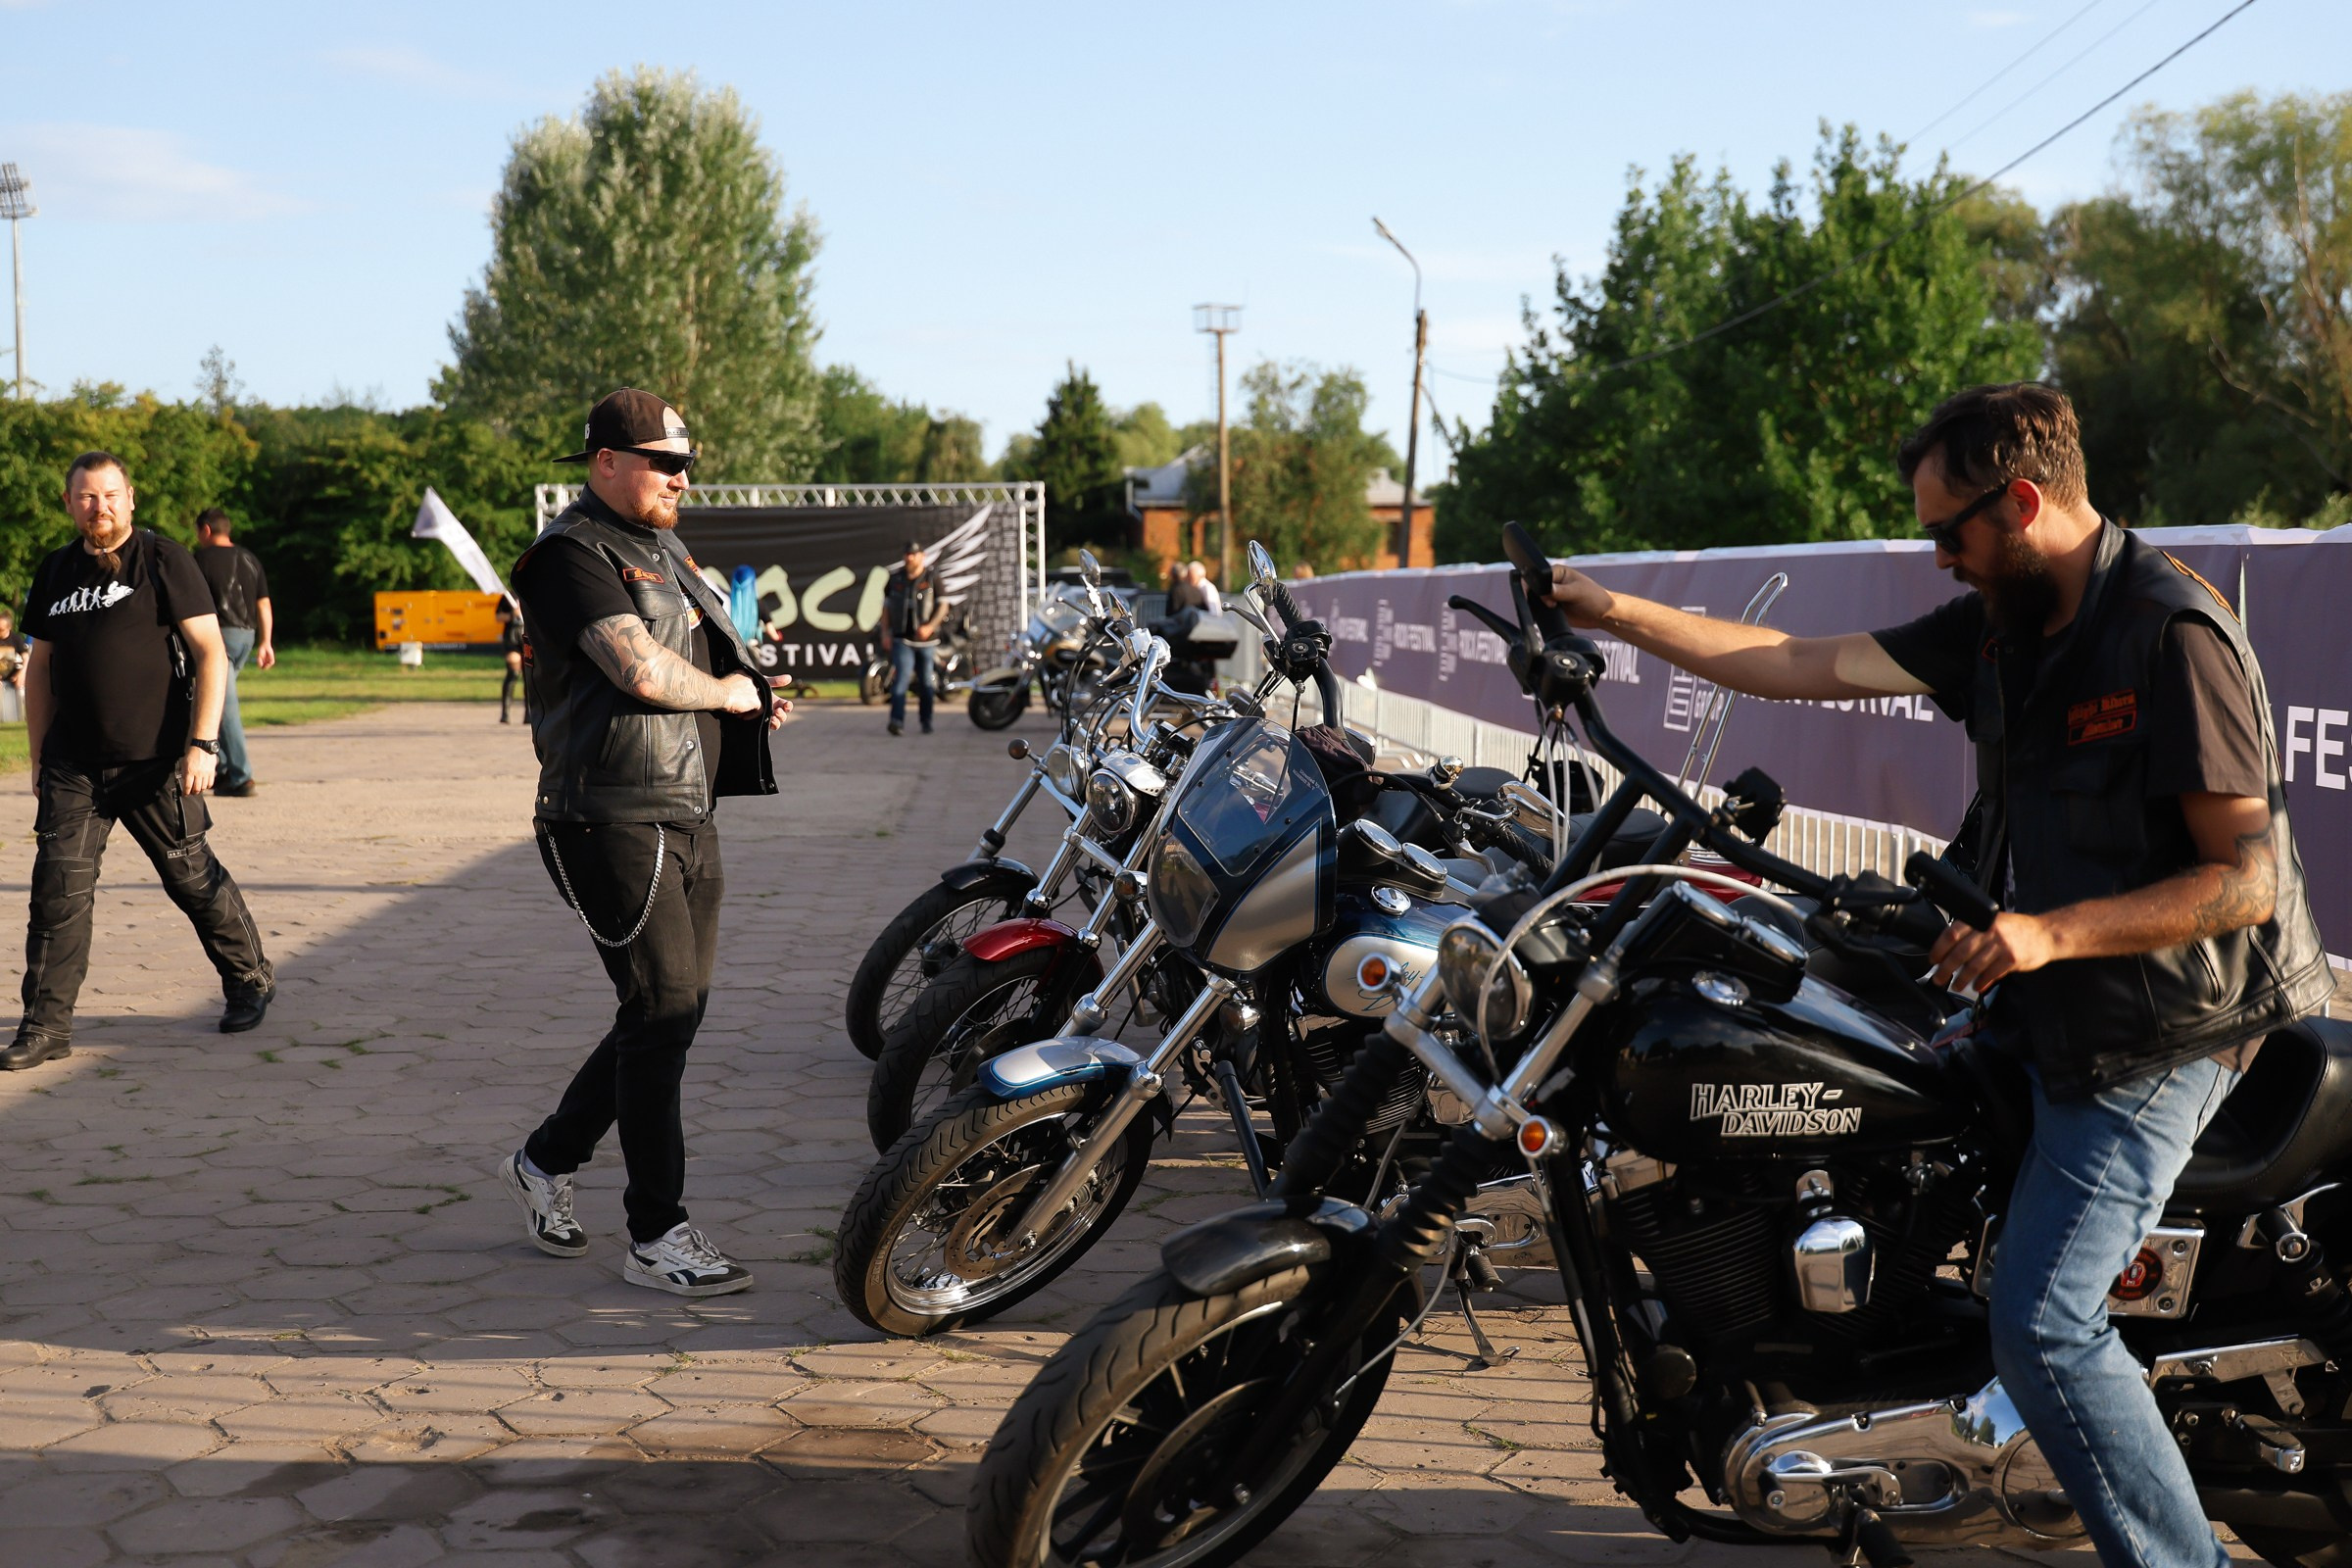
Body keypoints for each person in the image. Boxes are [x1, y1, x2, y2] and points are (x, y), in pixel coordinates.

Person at [1538, 382, 2330, 1568]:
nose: (1939, 556)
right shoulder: (2011, 621)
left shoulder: (2169, 633)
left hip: (2169, 1028)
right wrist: (1613, 612)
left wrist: (2047, 933)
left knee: (2049, 1324)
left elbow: (2243, 883)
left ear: (2021, 502)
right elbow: (1797, 659)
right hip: (2046, 997)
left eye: (1948, 530)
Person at [499, 388, 791, 1298]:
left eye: (686, 463)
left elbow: (701, 657)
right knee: (663, 1014)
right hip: (606, 816)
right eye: (663, 462)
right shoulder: (567, 556)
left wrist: (752, 686)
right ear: (606, 463)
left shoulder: (663, 548)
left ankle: (546, 1159)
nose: (680, 478)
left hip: (687, 810)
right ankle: (657, 1232)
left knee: (666, 1015)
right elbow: (637, 667)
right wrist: (727, 696)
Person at [7, 452, 275, 1071]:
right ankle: (46, 1026)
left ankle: (249, 979)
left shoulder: (163, 558)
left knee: (189, 876)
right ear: (68, 503)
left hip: (156, 760)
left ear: (130, 499)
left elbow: (210, 652)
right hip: (74, 765)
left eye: (109, 495)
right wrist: (38, 758)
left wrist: (203, 744)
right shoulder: (54, 571)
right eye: (85, 496)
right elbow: (40, 671)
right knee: (57, 891)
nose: (98, 506)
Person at [192, 509, 274, 797]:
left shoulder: (199, 560)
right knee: (217, 700)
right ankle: (223, 770)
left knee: (224, 706)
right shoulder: (250, 558)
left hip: (217, 637)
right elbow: (263, 603)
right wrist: (266, 642)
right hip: (246, 637)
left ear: (205, 530)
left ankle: (241, 775)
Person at [880, 540, 943, 737]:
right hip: (902, 639)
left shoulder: (932, 578)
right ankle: (896, 721)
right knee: (901, 680)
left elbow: (943, 606)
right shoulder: (895, 579)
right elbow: (886, 608)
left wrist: (930, 626)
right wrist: (885, 633)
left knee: (926, 682)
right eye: (907, 554)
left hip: (927, 641)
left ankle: (926, 721)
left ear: (922, 556)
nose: (910, 558)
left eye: (914, 554)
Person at [495, 595, 526, 724]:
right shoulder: (508, 596)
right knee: (513, 673)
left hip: (528, 634)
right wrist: (513, 614)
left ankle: (529, 714)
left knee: (529, 676)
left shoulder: (536, 589)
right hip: (512, 636)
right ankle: (505, 712)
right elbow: (498, 617)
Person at [0, 609, 23, 724]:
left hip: (13, 677)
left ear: (9, 627)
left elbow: (26, 657)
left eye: (1, 629)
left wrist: (21, 674)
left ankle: (16, 719)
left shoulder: (16, 639)